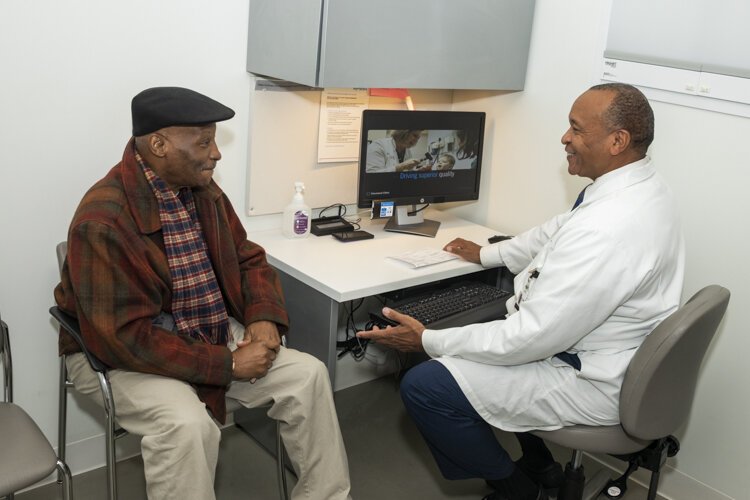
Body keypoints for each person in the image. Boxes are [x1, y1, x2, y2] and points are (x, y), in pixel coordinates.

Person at [358, 83, 685, 500]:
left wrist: (426, 340)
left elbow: (529, 338)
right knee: (478, 333)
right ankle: (542, 467)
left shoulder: (611, 228)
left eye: (576, 129)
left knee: (427, 385)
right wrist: (488, 255)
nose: (565, 138)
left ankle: (518, 492)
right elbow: (555, 231)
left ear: (617, 141)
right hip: (599, 350)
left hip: (586, 377)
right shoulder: (637, 189)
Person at [54, 87, 352, 500]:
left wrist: (262, 317)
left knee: (308, 375)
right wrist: (227, 364)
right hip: (119, 355)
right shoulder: (103, 221)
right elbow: (122, 340)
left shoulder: (203, 191)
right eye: (204, 142)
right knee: (186, 425)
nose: (216, 154)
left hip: (202, 332)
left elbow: (249, 258)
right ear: (158, 145)